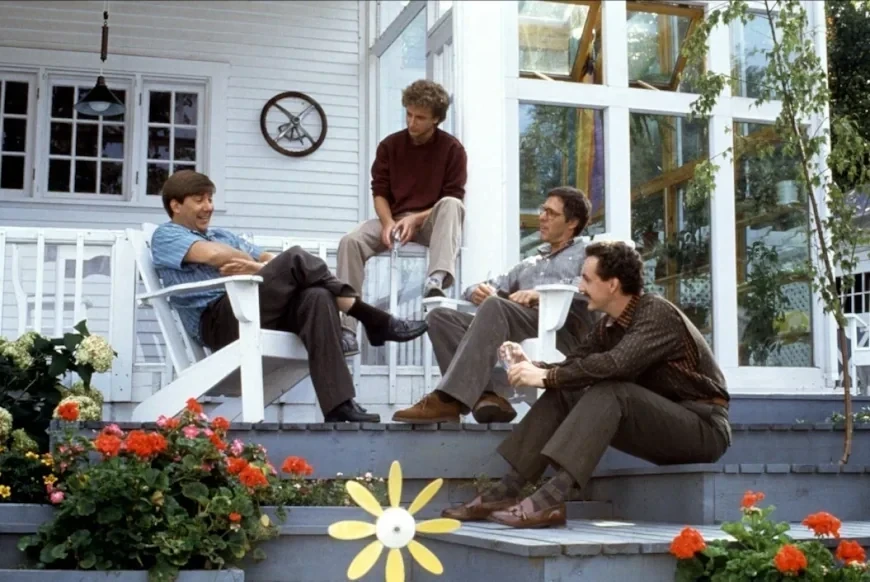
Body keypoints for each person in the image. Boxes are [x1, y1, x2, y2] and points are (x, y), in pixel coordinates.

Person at [441, 241, 732, 528]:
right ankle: (506, 490)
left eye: (587, 279)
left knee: (611, 389)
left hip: (702, 427)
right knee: (566, 390)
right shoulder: (608, 326)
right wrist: (532, 366)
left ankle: (553, 498)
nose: (580, 287)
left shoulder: (656, 313)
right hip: (657, 424)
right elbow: (573, 366)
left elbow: (616, 364)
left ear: (613, 284)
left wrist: (545, 377)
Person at [149, 170, 429, 423]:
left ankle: (338, 405)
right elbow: (213, 255)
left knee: (317, 295)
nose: (208, 207)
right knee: (295, 257)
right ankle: (372, 318)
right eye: (199, 200)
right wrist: (253, 262)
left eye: (210, 199)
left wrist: (255, 267)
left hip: (251, 309)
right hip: (218, 321)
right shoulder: (167, 235)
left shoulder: (221, 234)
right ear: (176, 205)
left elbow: (269, 259)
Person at [391, 186, 600, 424]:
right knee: (439, 317)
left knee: (496, 306)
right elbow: (485, 286)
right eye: (543, 210)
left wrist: (539, 295)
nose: (542, 217)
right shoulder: (531, 262)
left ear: (572, 222)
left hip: (561, 331)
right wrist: (476, 292)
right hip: (521, 324)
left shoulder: (588, 253)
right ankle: (486, 396)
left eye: (551, 213)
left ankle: (447, 399)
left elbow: (594, 286)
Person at [337, 79, 467, 353]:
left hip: (430, 222)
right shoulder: (390, 146)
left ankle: (435, 281)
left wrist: (415, 219)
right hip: (394, 219)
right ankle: (347, 327)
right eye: (409, 114)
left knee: (452, 204)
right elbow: (379, 191)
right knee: (350, 241)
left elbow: (453, 195)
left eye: (420, 117)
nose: (412, 122)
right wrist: (387, 223)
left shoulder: (452, 150)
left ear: (436, 119)